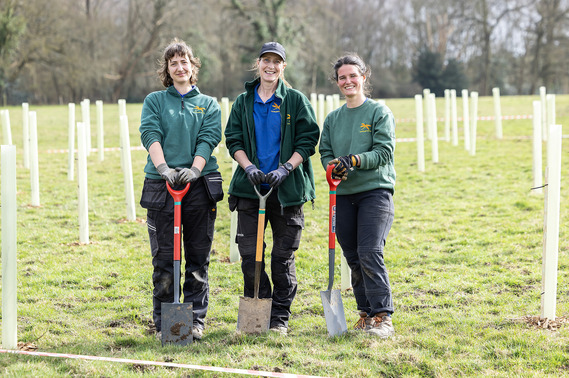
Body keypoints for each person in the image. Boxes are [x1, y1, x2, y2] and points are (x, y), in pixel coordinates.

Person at [225, 42, 320, 335]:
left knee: (282, 257)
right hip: (250, 189)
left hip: (286, 190)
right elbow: (233, 139)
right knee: (250, 255)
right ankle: (259, 308)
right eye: (266, 60)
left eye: (276, 61)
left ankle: (279, 316)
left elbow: (308, 139)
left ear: (283, 67)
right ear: (258, 63)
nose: (270, 65)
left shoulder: (295, 100)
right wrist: (249, 167)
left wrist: (285, 168)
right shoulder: (243, 102)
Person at [139, 38, 223, 341]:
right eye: (173, 62)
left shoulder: (208, 104)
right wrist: (163, 169)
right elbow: (151, 133)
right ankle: (165, 322)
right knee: (164, 261)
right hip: (162, 188)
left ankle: (195, 321)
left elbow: (209, 138)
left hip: (199, 187)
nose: (179, 66)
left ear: (193, 65)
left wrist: (195, 169)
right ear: (167, 69)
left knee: (197, 260)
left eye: (184, 61)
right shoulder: (155, 101)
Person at [319, 54, 396, 338]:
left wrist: (354, 160)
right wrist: (332, 167)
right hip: (343, 194)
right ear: (337, 82)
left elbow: (384, 152)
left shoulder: (379, 112)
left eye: (353, 76)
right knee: (353, 255)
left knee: (369, 251)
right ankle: (364, 314)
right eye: (342, 77)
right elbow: (325, 151)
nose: (348, 81)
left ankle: (383, 316)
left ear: (363, 77)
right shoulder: (333, 119)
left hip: (375, 192)